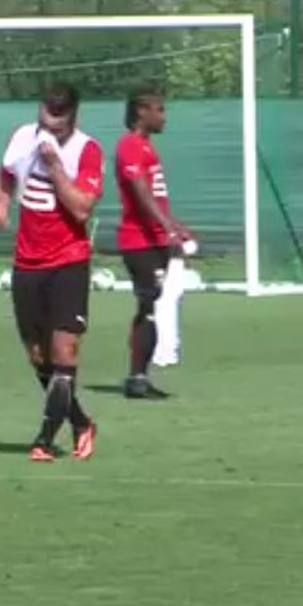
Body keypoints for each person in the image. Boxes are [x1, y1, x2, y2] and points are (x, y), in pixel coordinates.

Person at [0, 81, 103, 462]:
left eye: (59, 117)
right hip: (27, 263)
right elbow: (6, 174)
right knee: (38, 356)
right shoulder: (23, 137)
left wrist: (55, 166)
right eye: (46, 115)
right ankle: (82, 423)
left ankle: (44, 438)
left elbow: (82, 209)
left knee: (64, 351)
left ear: (74, 114)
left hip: (68, 261)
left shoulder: (87, 150)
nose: (50, 124)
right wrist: (1, 204)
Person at [115, 88, 193, 400]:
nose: (164, 116)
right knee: (148, 305)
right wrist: (165, 226)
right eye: (159, 110)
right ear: (141, 112)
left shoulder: (147, 147)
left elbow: (156, 196)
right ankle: (137, 378)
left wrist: (174, 225)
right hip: (139, 240)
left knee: (152, 305)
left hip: (156, 238)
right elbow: (140, 191)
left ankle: (140, 376)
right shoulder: (130, 146)